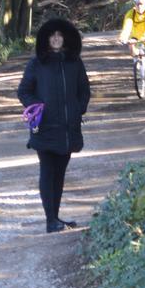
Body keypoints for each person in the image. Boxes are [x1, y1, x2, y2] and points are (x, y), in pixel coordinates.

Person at [17, 18, 91, 233]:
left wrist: (79, 108)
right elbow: (24, 91)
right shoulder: (37, 63)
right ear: (47, 39)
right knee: (48, 172)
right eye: (53, 35)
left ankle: (55, 217)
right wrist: (36, 106)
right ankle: (51, 220)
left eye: (60, 35)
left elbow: (84, 90)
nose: (57, 39)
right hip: (45, 128)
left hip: (68, 129)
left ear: (65, 38)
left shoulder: (74, 62)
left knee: (59, 174)